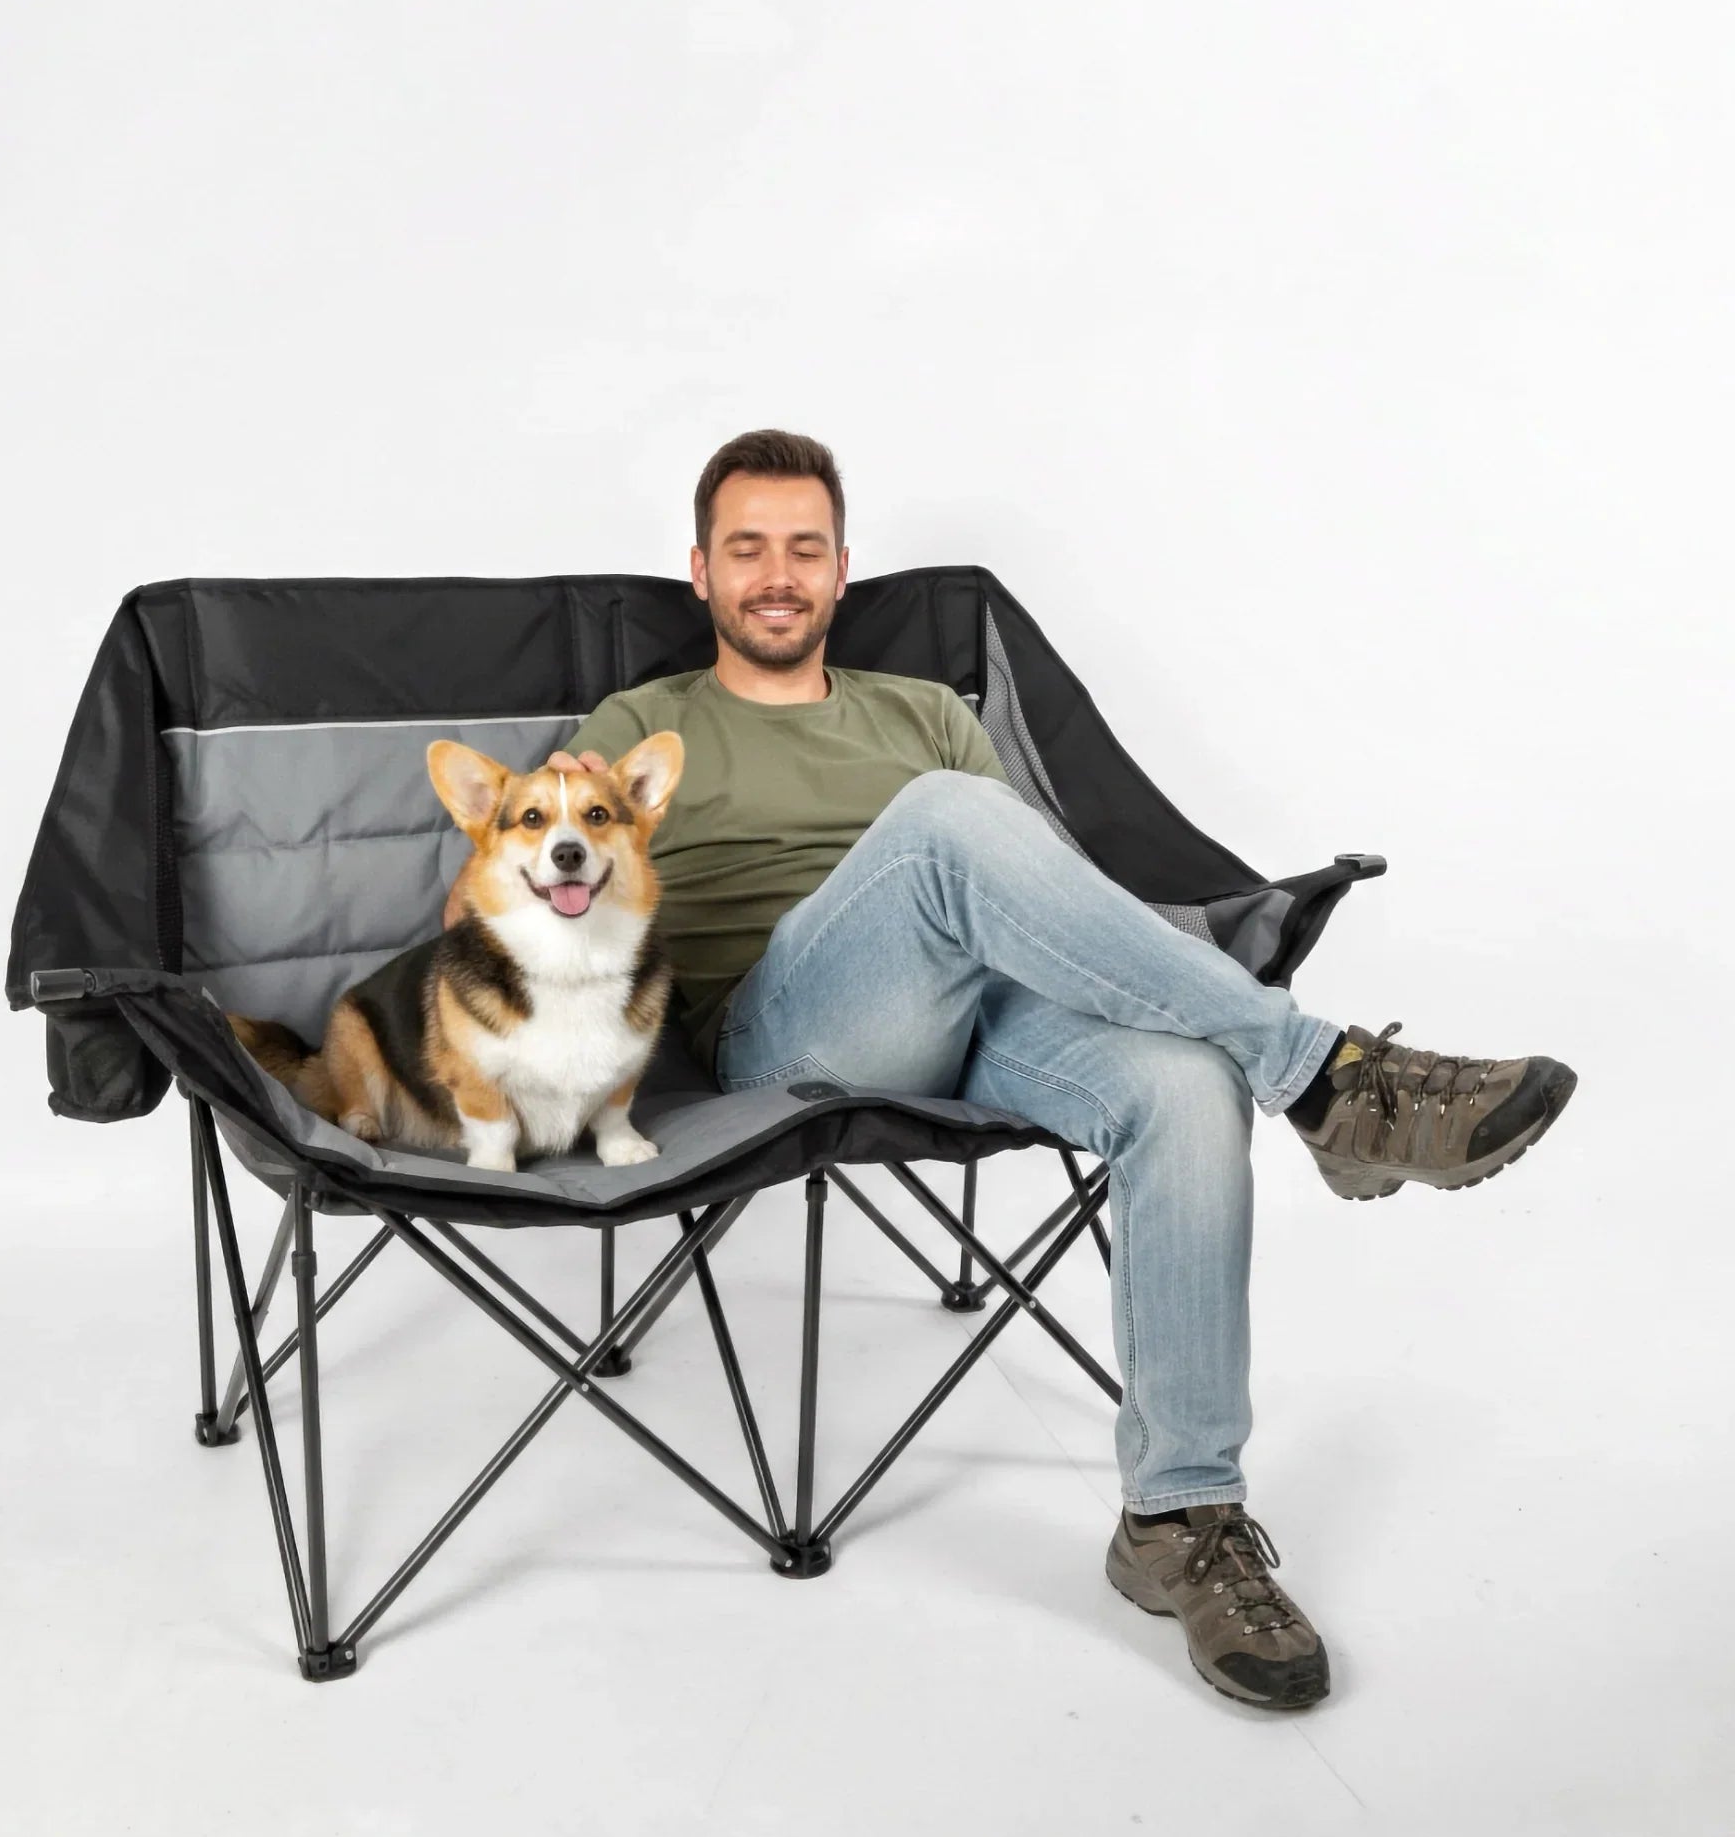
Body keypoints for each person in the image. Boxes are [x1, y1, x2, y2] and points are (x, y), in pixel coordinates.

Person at [455, 428, 1577, 1712]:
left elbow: (1044, 905)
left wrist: (1147, 1014)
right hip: (784, 1036)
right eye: (747, 548)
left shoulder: (923, 710)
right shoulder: (635, 725)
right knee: (944, 819)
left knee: (1181, 1088)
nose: (778, 573)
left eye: (804, 548)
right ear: (700, 571)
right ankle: (1329, 1079)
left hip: (982, 1013)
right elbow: (550, 892)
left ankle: (1179, 1519)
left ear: (838, 570)